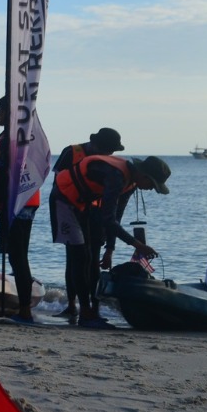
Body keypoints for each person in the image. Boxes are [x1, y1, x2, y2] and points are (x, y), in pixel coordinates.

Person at [51, 152, 168, 328]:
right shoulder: (116, 176)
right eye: (152, 185)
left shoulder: (131, 183)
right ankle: (85, 314)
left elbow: (115, 218)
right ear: (144, 176)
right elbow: (108, 220)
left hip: (84, 205)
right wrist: (138, 245)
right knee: (80, 257)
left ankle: (93, 311)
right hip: (64, 199)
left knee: (92, 260)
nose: (152, 189)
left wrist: (110, 249)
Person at [49, 127, 125, 318]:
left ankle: (94, 307)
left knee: (93, 261)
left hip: (96, 214)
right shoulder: (72, 152)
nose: (108, 155)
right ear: (95, 144)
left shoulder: (109, 163)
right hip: (73, 210)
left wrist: (111, 244)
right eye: (106, 150)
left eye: (111, 152)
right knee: (74, 259)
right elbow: (58, 182)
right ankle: (72, 305)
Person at [0, 96, 39, 323]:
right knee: (19, 256)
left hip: (15, 205)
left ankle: (25, 310)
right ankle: (24, 307)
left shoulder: (10, 140)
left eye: (0, 110)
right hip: (27, 202)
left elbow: (2, 181)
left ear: (9, 113)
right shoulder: (24, 138)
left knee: (18, 258)